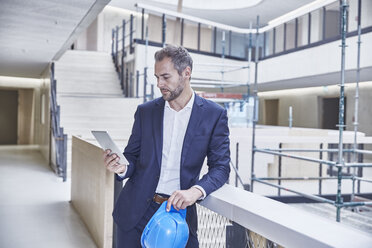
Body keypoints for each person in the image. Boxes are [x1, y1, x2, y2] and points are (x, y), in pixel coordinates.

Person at [103, 45, 230, 248]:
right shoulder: (146, 112)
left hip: (178, 214)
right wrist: (122, 167)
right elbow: (132, 156)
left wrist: (196, 191)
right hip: (135, 213)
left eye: (165, 77)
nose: (159, 84)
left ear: (186, 73)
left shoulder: (213, 115)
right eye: (156, 77)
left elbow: (221, 168)